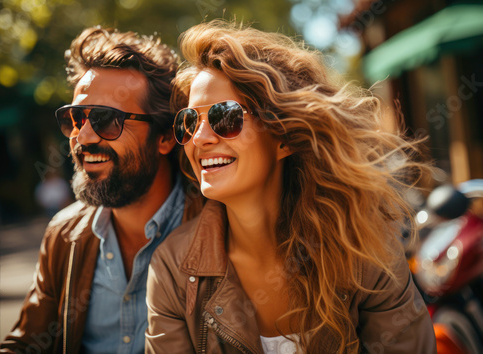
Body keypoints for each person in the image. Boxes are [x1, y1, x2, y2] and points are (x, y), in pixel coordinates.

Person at [145, 20, 437, 353]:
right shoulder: (171, 269)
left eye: (224, 117)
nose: (199, 138)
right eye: (189, 121)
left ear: (284, 137)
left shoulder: (366, 249)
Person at [0, 27, 201, 353]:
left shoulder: (218, 228)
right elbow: (26, 344)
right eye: (76, 118)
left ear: (164, 136)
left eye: (108, 119)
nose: (84, 137)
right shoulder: (63, 235)